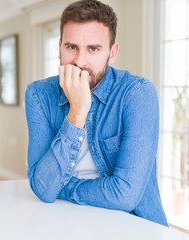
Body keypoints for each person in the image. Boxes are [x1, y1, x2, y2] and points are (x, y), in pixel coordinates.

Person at [25, 0, 168, 227]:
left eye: (93, 49)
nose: (80, 61)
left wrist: (63, 187)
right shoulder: (39, 95)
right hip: (63, 221)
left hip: (133, 226)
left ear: (112, 53)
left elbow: (125, 195)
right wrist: (77, 112)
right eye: (72, 47)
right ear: (59, 47)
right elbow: (43, 189)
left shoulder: (137, 94)